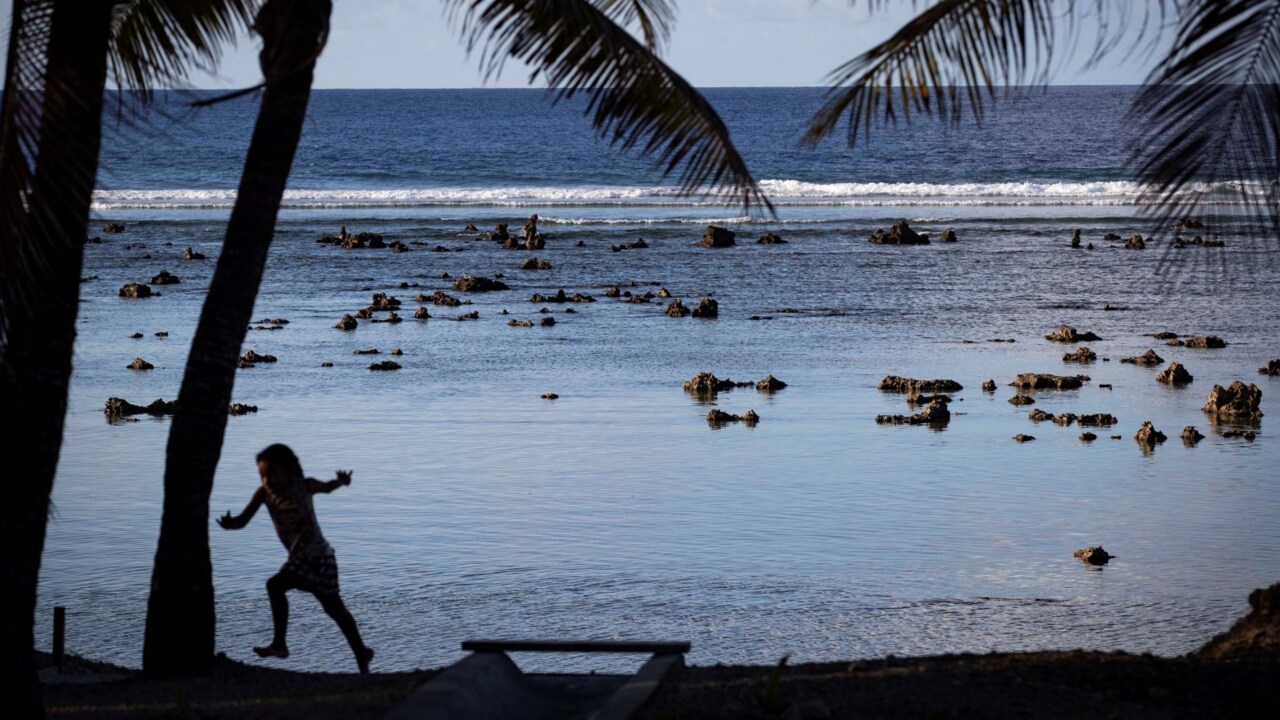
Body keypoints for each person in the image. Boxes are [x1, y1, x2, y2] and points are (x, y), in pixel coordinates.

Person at [217, 444, 374, 673]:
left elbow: (328, 487)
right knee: (331, 607)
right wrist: (231, 524)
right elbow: (242, 520)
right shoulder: (264, 495)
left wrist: (342, 481)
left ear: (288, 471)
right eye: (262, 476)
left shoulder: (303, 486)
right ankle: (361, 652)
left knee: (286, 589)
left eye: (272, 474)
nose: (267, 480)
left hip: (319, 558)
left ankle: (282, 645)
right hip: (302, 559)